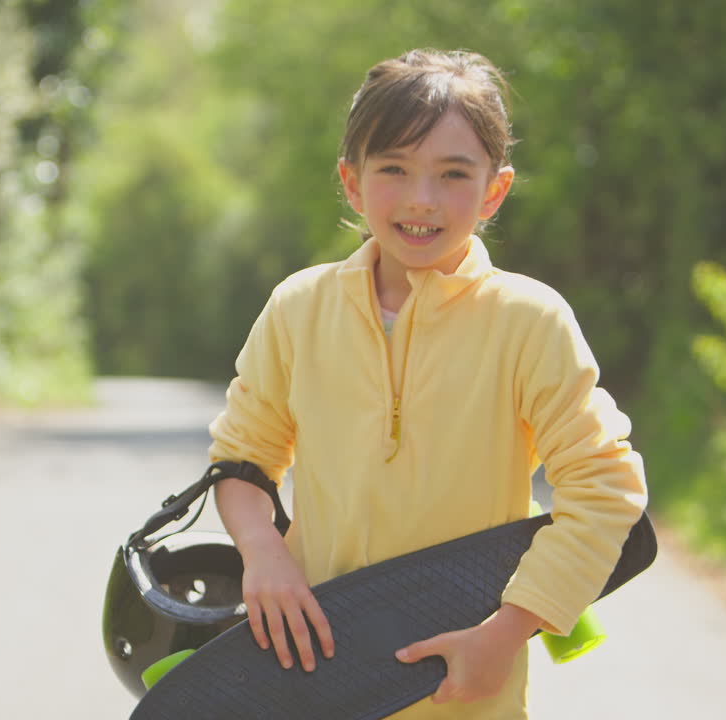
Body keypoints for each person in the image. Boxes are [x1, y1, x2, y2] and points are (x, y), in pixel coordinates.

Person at [208, 48, 647, 719]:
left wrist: (507, 633)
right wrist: (264, 553)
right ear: (352, 183)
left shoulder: (529, 321)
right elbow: (242, 461)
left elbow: (606, 487)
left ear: (493, 190)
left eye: (452, 174)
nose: (421, 199)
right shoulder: (299, 309)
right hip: (311, 683)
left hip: (465, 692)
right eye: (394, 170)